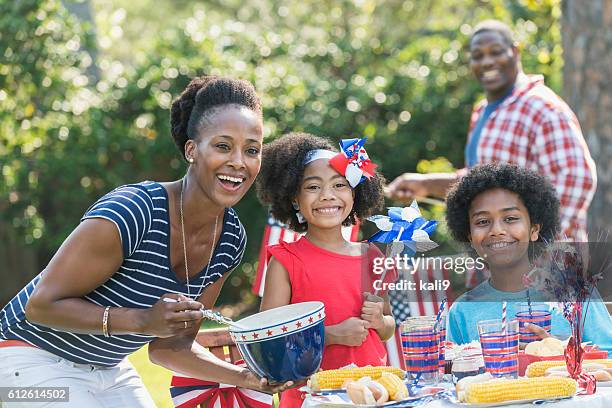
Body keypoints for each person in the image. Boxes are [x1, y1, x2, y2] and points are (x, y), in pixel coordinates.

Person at [0, 75, 292, 407]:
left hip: (108, 369)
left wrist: (247, 378)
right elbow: (40, 306)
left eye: (251, 150)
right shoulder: (134, 211)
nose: (239, 162)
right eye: (223, 146)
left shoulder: (229, 240)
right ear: (192, 150)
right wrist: (142, 321)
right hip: (22, 360)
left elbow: (171, 347)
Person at [386, 19, 597, 241]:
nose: (487, 61)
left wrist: (533, 247)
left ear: (515, 52)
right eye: (478, 56)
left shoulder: (542, 108)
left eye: (496, 52)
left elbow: (577, 178)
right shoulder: (483, 112)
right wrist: (424, 185)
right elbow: (479, 182)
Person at [256, 133, 397, 407]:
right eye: (312, 187)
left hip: (374, 395)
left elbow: (388, 326)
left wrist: (380, 321)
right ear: (294, 198)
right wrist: (331, 335)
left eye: (339, 184)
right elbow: (268, 341)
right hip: (310, 399)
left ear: (354, 194)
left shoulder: (371, 257)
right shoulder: (286, 261)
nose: (327, 195)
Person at [444, 163, 611, 354]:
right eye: (483, 222)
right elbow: (454, 374)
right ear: (470, 238)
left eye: (510, 219)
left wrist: (565, 353)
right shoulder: (462, 311)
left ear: (534, 230)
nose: (497, 230)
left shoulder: (577, 294)